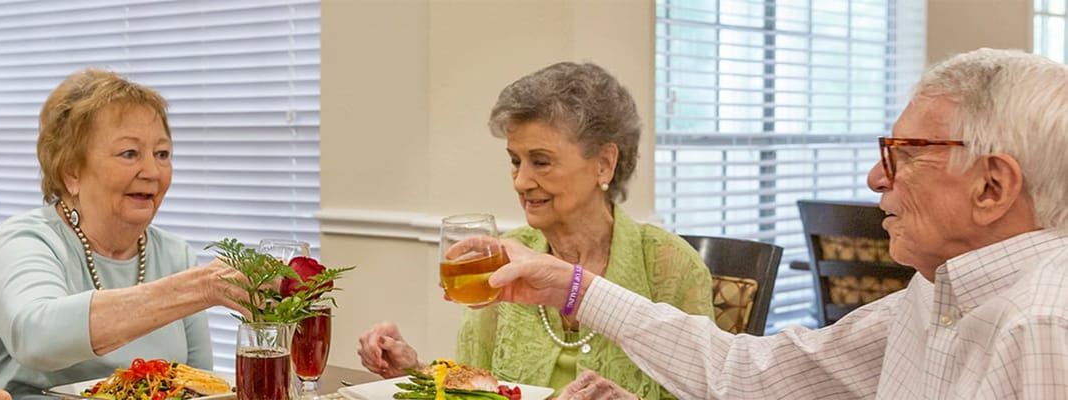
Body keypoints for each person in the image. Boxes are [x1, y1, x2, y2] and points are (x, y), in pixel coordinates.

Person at [488, 48, 1068, 399]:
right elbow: (750, 376)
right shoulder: (936, 296)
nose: (874, 177)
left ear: (991, 186)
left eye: (905, 154)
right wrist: (574, 287)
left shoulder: (1042, 326)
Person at [356, 62, 714, 399]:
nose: (522, 181)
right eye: (515, 161)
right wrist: (413, 368)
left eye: (541, 162)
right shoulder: (502, 260)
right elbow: (479, 388)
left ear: (604, 164)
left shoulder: (670, 266)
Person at [0, 68, 252, 399]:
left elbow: (200, 385)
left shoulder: (175, 255)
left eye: (162, 154)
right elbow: (36, 339)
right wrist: (202, 287)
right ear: (71, 171)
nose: (153, 172)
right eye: (129, 153)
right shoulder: (23, 241)